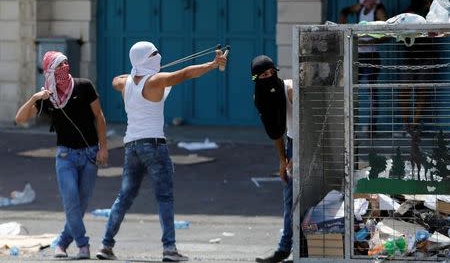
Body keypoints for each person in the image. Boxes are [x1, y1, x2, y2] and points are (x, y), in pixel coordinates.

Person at [96, 41, 227, 262]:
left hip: (132, 147)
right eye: (154, 54)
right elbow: (185, 73)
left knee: (124, 197)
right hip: (154, 146)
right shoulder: (155, 80)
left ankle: (106, 245)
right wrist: (213, 64)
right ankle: (169, 249)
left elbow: (114, 79)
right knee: (164, 197)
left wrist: (135, 70)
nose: (159, 56)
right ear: (145, 59)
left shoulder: (124, 82)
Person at [15, 51, 108, 259]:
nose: (64, 68)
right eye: (59, 65)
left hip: (91, 154)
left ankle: (62, 242)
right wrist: (34, 98)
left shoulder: (84, 86)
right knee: (71, 202)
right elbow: (19, 119)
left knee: (81, 204)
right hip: (65, 156)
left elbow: (99, 116)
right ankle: (83, 245)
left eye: (66, 63)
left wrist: (104, 147)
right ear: (49, 70)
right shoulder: (47, 97)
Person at [251, 55, 299, 263]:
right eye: (264, 75)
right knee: (289, 198)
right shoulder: (261, 98)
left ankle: (300, 248)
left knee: (308, 196)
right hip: (291, 143)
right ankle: (285, 249)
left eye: (272, 73)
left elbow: (310, 122)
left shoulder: (290, 90)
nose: (269, 77)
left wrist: (298, 156)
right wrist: (282, 159)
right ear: (256, 79)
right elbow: (275, 130)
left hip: (307, 142)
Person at [339, 0, 387, 137]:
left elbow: (387, 35)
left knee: (371, 91)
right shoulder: (360, 8)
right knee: (352, 89)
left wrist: (368, 39)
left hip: (371, 55)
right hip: (358, 55)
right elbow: (344, 12)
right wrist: (346, 32)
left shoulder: (379, 10)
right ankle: (351, 125)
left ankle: (371, 127)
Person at [400, 0, 433, 127]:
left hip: (427, 55)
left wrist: (430, 7)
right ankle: (406, 124)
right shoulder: (408, 12)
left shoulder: (430, 11)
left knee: (423, 91)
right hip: (410, 55)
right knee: (405, 90)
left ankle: (414, 124)